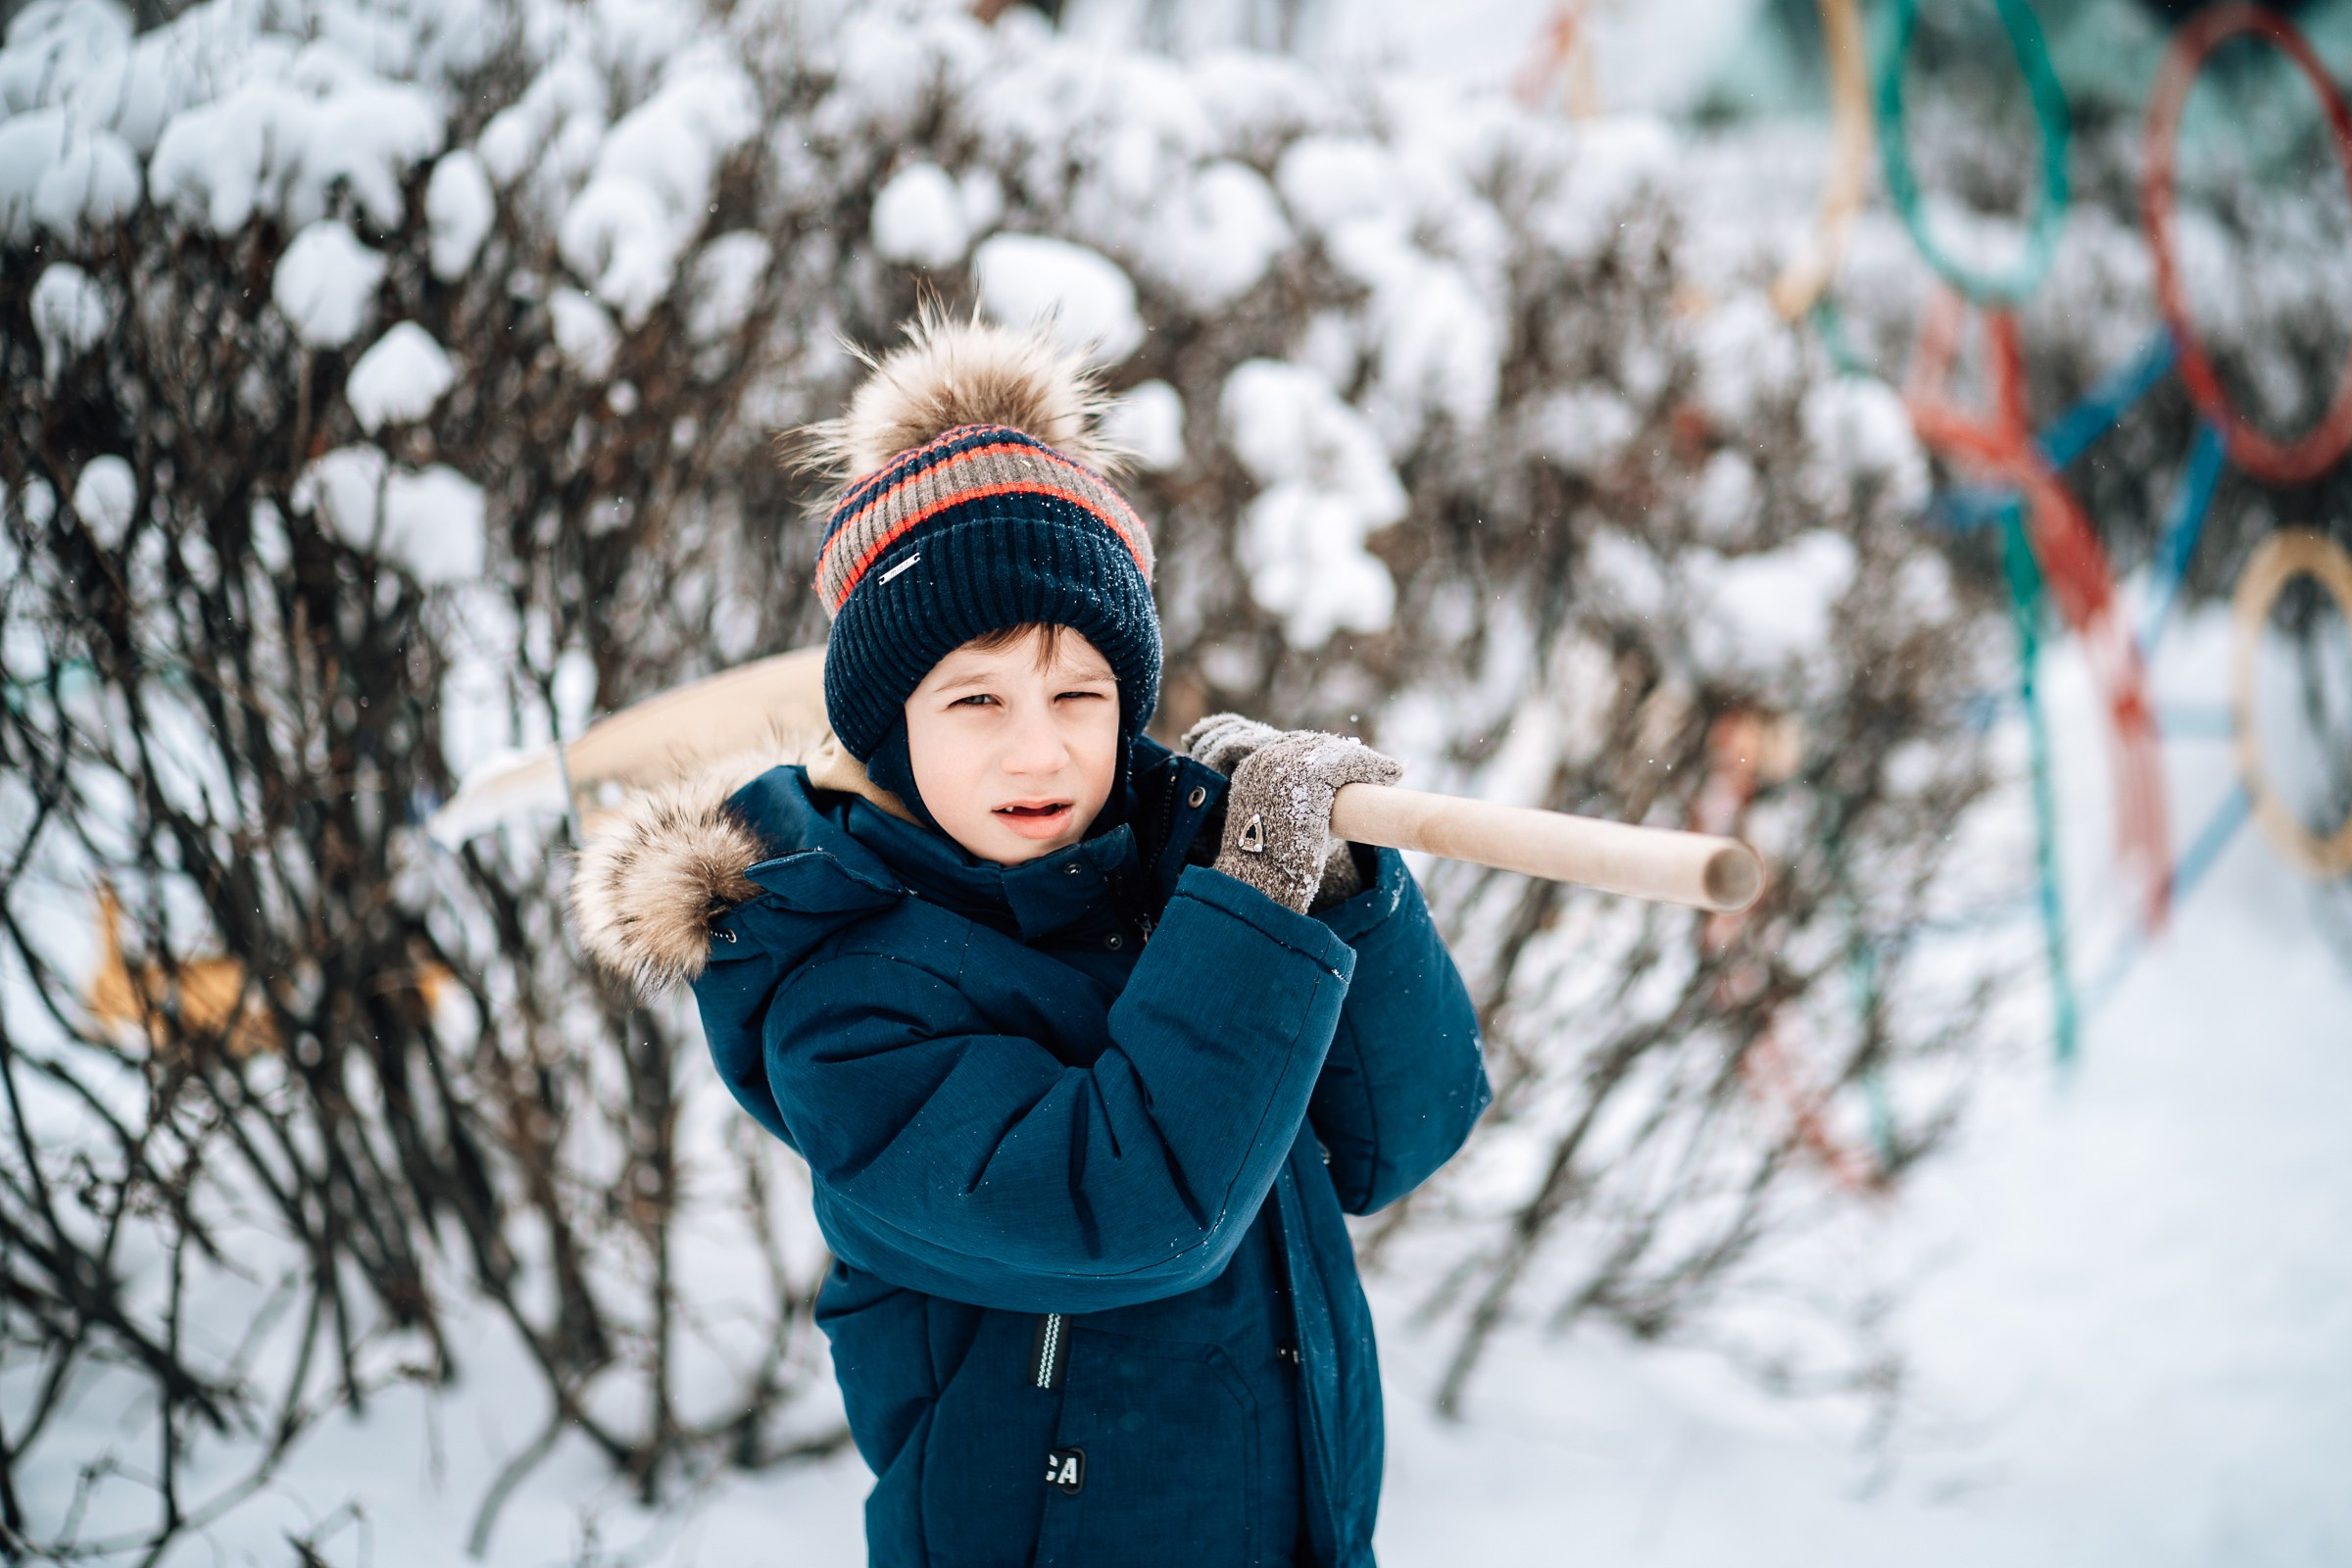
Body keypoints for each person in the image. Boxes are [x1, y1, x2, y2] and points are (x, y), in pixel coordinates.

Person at [570, 312, 1488, 1567]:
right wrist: (1256, 907)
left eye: (1079, 694)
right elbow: (1136, 1212)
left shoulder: (1167, 891)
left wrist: (1337, 892)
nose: (1040, 748)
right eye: (978, 699)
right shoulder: (842, 1001)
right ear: (892, 726)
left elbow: (1399, 1132)